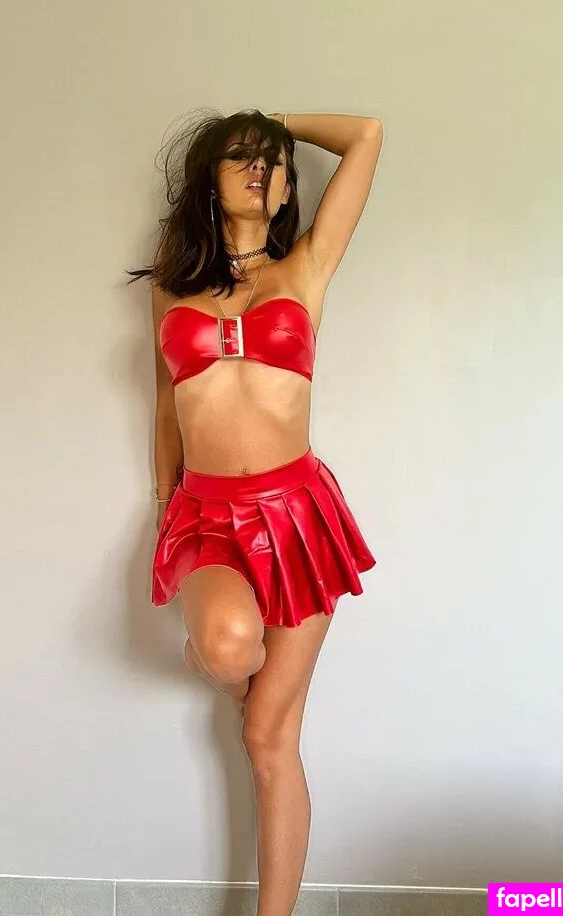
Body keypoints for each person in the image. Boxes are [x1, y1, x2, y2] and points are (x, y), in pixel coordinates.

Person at [129, 109, 383, 916]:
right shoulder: (173, 285)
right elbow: (165, 403)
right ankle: (230, 677)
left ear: (284, 191)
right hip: (208, 515)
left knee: (269, 741)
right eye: (238, 155)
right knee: (227, 644)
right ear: (209, 177)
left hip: (299, 515)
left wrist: (275, 121)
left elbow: (367, 134)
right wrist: (163, 503)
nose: (257, 168)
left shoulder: (306, 267)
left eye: (271, 161)